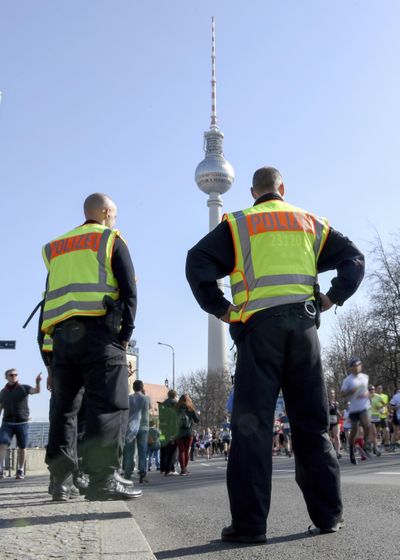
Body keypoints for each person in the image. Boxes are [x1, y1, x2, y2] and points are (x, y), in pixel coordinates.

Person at [186, 166, 365, 543]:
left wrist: (222, 309)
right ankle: (328, 515)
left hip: (257, 332)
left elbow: (196, 261)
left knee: (252, 429)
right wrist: (332, 297)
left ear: (253, 191)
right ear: (283, 188)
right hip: (303, 329)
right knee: (312, 425)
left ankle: (250, 526)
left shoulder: (237, 225)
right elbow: (355, 259)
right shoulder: (310, 223)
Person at [38, 192, 142, 501]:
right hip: (99, 336)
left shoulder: (56, 248)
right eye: (114, 214)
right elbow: (129, 291)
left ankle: (61, 481)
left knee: (64, 411)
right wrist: (125, 336)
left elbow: (47, 299)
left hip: (61, 340)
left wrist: (48, 354)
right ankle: (102, 480)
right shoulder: (110, 239)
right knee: (108, 407)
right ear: (107, 212)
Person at [0, 369, 41, 479]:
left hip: (22, 422)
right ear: (6, 377)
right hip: (7, 422)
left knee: (22, 447)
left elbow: (36, 391)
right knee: (2, 443)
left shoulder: (24, 388)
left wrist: (37, 382)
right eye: (11, 375)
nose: (14, 376)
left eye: (15, 375)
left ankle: (20, 470)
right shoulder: (3, 392)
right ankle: (1, 469)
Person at [341, 357, 371, 465]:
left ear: (361, 366)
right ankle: (351, 452)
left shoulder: (365, 377)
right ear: (351, 368)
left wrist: (367, 394)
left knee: (367, 425)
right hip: (353, 409)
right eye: (354, 366)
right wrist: (350, 391)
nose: (356, 368)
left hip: (364, 407)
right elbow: (343, 394)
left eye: (358, 365)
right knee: (354, 429)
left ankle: (366, 445)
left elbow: (366, 390)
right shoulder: (347, 380)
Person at [122, 379, 150, 483]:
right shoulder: (146, 399)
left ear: (133, 388)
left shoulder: (128, 398)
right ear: (142, 387)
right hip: (143, 427)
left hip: (131, 427)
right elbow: (148, 410)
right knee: (142, 451)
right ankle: (142, 474)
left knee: (129, 452)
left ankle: (128, 474)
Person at [175, 394, 200, 475]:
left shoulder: (176, 409)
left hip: (178, 433)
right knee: (186, 451)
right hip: (189, 433)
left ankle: (183, 469)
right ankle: (185, 469)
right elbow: (197, 420)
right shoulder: (190, 409)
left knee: (181, 451)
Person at [158, 389, 179, 476]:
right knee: (172, 449)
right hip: (171, 430)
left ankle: (162, 468)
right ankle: (170, 468)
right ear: (175, 395)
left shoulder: (163, 404)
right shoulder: (175, 404)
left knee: (163, 448)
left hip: (162, 431)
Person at [328, 389, 342, 459]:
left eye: (333, 393)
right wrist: (329, 407)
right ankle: (332, 450)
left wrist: (339, 413)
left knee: (336, 436)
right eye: (330, 393)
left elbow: (337, 411)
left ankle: (338, 452)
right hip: (328, 422)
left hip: (335, 421)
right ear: (328, 394)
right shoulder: (326, 402)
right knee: (330, 438)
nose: (332, 394)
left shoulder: (336, 403)